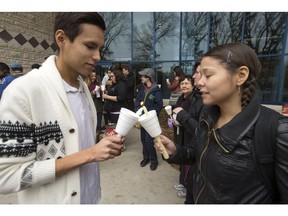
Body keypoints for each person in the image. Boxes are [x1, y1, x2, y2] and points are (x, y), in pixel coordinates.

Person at [0, 12, 123, 204]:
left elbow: (75, 140)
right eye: (90, 46)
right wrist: (90, 154)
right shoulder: (24, 91)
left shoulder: (83, 88)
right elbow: (6, 176)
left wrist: (101, 142)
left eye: (100, 48)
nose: (98, 56)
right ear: (61, 39)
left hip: (92, 199)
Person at [154, 43, 288, 203]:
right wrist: (175, 150)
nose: (198, 82)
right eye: (199, 75)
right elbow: (196, 154)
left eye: (208, 75)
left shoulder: (276, 130)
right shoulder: (207, 115)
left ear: (241, 75)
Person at [171, 60, 203, 204]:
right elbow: (176, 114)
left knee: (189, 165)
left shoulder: (197, 100)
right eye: (182, 84)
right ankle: (184, 183)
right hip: (180, 134)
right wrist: (172, 121)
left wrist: (182, 118)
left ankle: (186, 185)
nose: (183, 86)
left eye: (186, 83)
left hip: (189, 136)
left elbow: (194, 124)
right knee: (183, 161)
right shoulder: (180, 98)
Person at [135, 68, 163, 171]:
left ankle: (154, 160)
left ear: (148, 77)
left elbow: (159, 105)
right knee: (143, 139)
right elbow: (138, 100)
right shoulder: (142, 89)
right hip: (142, 119)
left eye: (143, 76)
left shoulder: (156, 90)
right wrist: (138, 110)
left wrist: (150, 114)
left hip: (151, 120)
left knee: (148, 140)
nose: (141, 78)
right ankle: (145, 158)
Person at [86, 71, 103, 139]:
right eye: (92, 76)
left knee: (99, 124)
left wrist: (102, 91)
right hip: (91, 107)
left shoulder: (98, 84)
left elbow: (102, 96)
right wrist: (93, 92)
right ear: (89, 76)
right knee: (93, 124)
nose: (94, 77)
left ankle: (98, 139)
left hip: (99, 106)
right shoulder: (86, 85)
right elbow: (86, 97)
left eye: (95, 76)